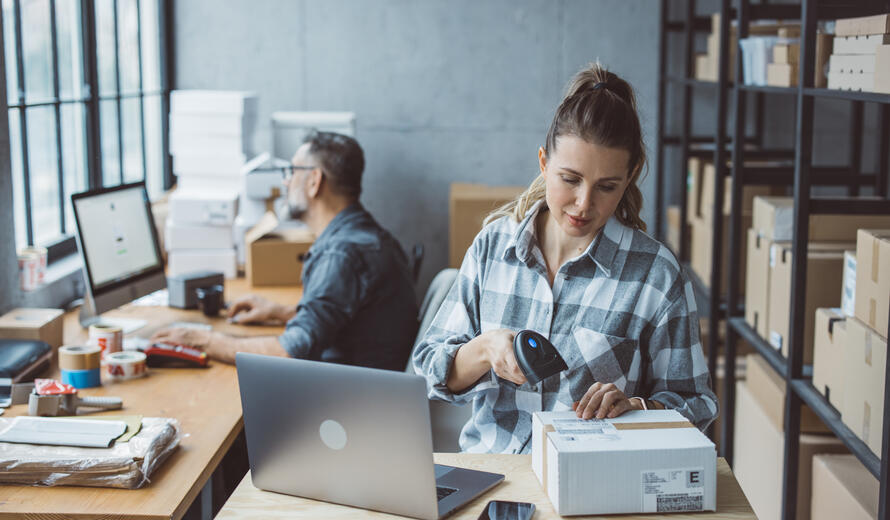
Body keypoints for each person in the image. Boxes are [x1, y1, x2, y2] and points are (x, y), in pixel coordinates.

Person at [413, 63, 718, 454]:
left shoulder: (655, 275)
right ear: (544, 163)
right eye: (570, 180)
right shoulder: (493, 247)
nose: (584, 204)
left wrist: (639, 408)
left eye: (606, 187)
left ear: (631, 176)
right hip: (493, 476)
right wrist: (486, 349)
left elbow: (697, 405)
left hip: (590, 488)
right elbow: (430, 372)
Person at [152, 131, 419, 371]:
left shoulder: (341, 254)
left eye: (292, 171)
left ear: (315, 181)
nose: (286, 182)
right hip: (370, 385)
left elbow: (289, 353)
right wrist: (280, 312)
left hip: (345, 403)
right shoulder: (367, 236)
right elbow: (352, 319)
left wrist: (202, 339)